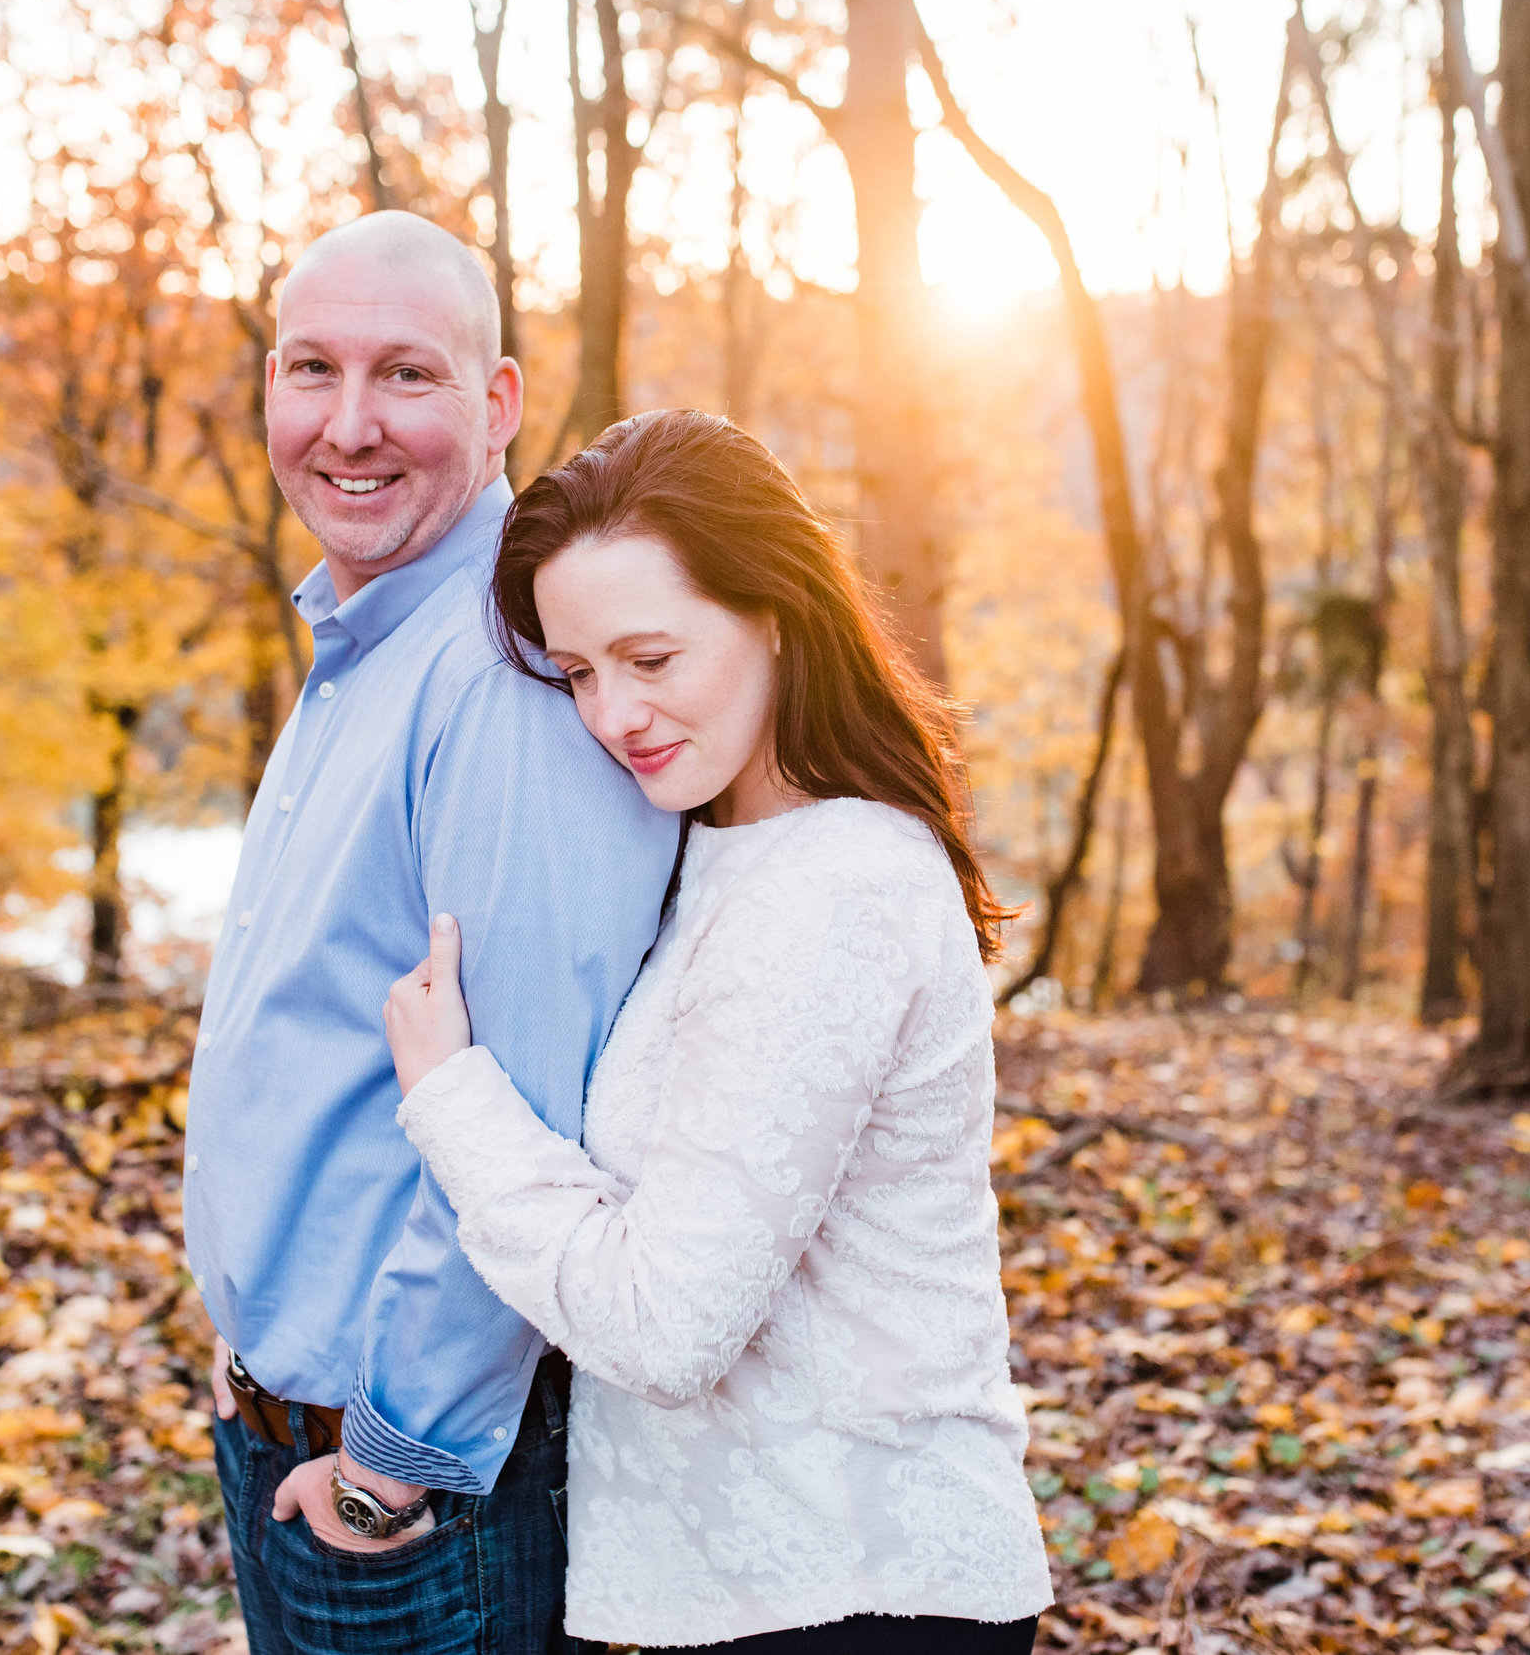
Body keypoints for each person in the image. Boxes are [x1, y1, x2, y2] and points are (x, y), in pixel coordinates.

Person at [381, 410, 1055, 1652]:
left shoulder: (835, 887)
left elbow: (664, 1324)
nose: (613, 713)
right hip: (753, 1595)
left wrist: (453, 1099)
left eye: (650, 656)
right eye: (579, 672)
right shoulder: (723, 852)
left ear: (777, 614)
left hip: (859, 1594)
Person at [180, 212, 678, 1654]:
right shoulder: (369, 640)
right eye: (308, 369)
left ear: (499, 400)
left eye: (405, 374)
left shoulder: (498, 675)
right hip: (298, 1425)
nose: (347, 425)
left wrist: (391, 1465)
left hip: (418, 1494)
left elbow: (522, 1108)